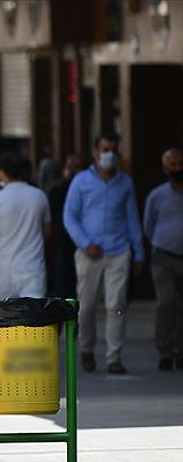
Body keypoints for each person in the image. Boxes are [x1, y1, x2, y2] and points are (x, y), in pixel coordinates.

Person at [63, 134, 145, 374]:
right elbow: (70, 216)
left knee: (116, 305)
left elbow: (133, 219)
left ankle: (113, 357)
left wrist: (138, 252)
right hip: (89, 254)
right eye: (105, 149)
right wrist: (85, 243)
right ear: (95, 152)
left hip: (119, 252)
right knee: (86, 306)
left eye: (113, 149)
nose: (110, 153)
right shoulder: (81, 181)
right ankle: (86, 349)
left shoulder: (125, 183)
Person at [0, 152, 51, 298]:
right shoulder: (39, 196)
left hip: (4, 270)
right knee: (33, 318)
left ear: (2, 173)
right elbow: (47, 232)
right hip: (33, 268)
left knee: (5, 318)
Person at [143, 147, 183, 371]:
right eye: (173, 164)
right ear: (165, 168)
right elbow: (148, 226)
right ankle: (165, 351)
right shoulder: (157, 196)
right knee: (167, 302)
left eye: (181, 163)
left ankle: (181, 350)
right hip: (164, 258)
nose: (178, 168)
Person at [46, 154, 84, 298]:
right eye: (72, 167)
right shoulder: (58, 190)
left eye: (78, 168)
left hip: (82, 239)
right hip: (62, 239)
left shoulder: (85, 190)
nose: (75, 171)